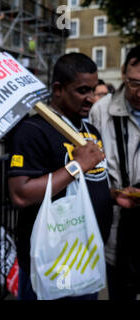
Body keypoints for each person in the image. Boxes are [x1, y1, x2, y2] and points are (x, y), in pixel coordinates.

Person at [6, 53, 114, 300]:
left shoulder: (89, 130)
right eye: (82, 90)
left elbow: (90, 184)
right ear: (58, 89)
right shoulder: (32, 131)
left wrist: (113, 196)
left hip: (87, 257)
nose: (91, 98)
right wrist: (77, 166)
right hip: (51, 262)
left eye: (94, 90)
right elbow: (21, 194)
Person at [89, 45, 140, 300]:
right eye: (134, 83)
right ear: (122, 73)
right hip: (117, 227)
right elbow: (94, 170)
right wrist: (113, 193)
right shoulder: (101, 110)